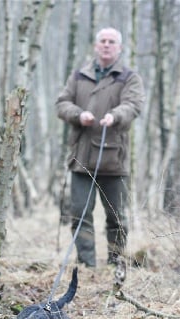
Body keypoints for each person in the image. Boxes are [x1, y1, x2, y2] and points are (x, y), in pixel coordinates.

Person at [56, 27, 145, 267]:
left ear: (120, 48)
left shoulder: (129, 77)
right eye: (103, 41)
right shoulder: (78, 75)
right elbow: (62, 103)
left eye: (111, 41)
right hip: (81, 158)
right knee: (80, 215)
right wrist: (78, 114)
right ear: (96, 46)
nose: (106, 45)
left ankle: (116, 262)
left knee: (116, 217)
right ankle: (87, 265)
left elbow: (134, 105)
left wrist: (115, 116)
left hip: (113, 159)